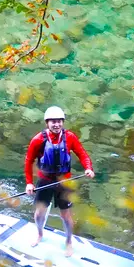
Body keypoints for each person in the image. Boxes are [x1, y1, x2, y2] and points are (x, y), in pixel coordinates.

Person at [24, 106, 94, 254]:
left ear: (62, 122)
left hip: (64, 181)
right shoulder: (38, 140)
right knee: (39, 213)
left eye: (59, 121)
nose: (56, 124)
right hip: (45, 181)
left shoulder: (70, 137)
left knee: (66, 215)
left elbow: (82, 154)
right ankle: (39, 233)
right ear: (47, 123)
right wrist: (29, 182)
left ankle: (69, 241)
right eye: (53, 122)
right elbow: (28, 161)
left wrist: (88, 167)